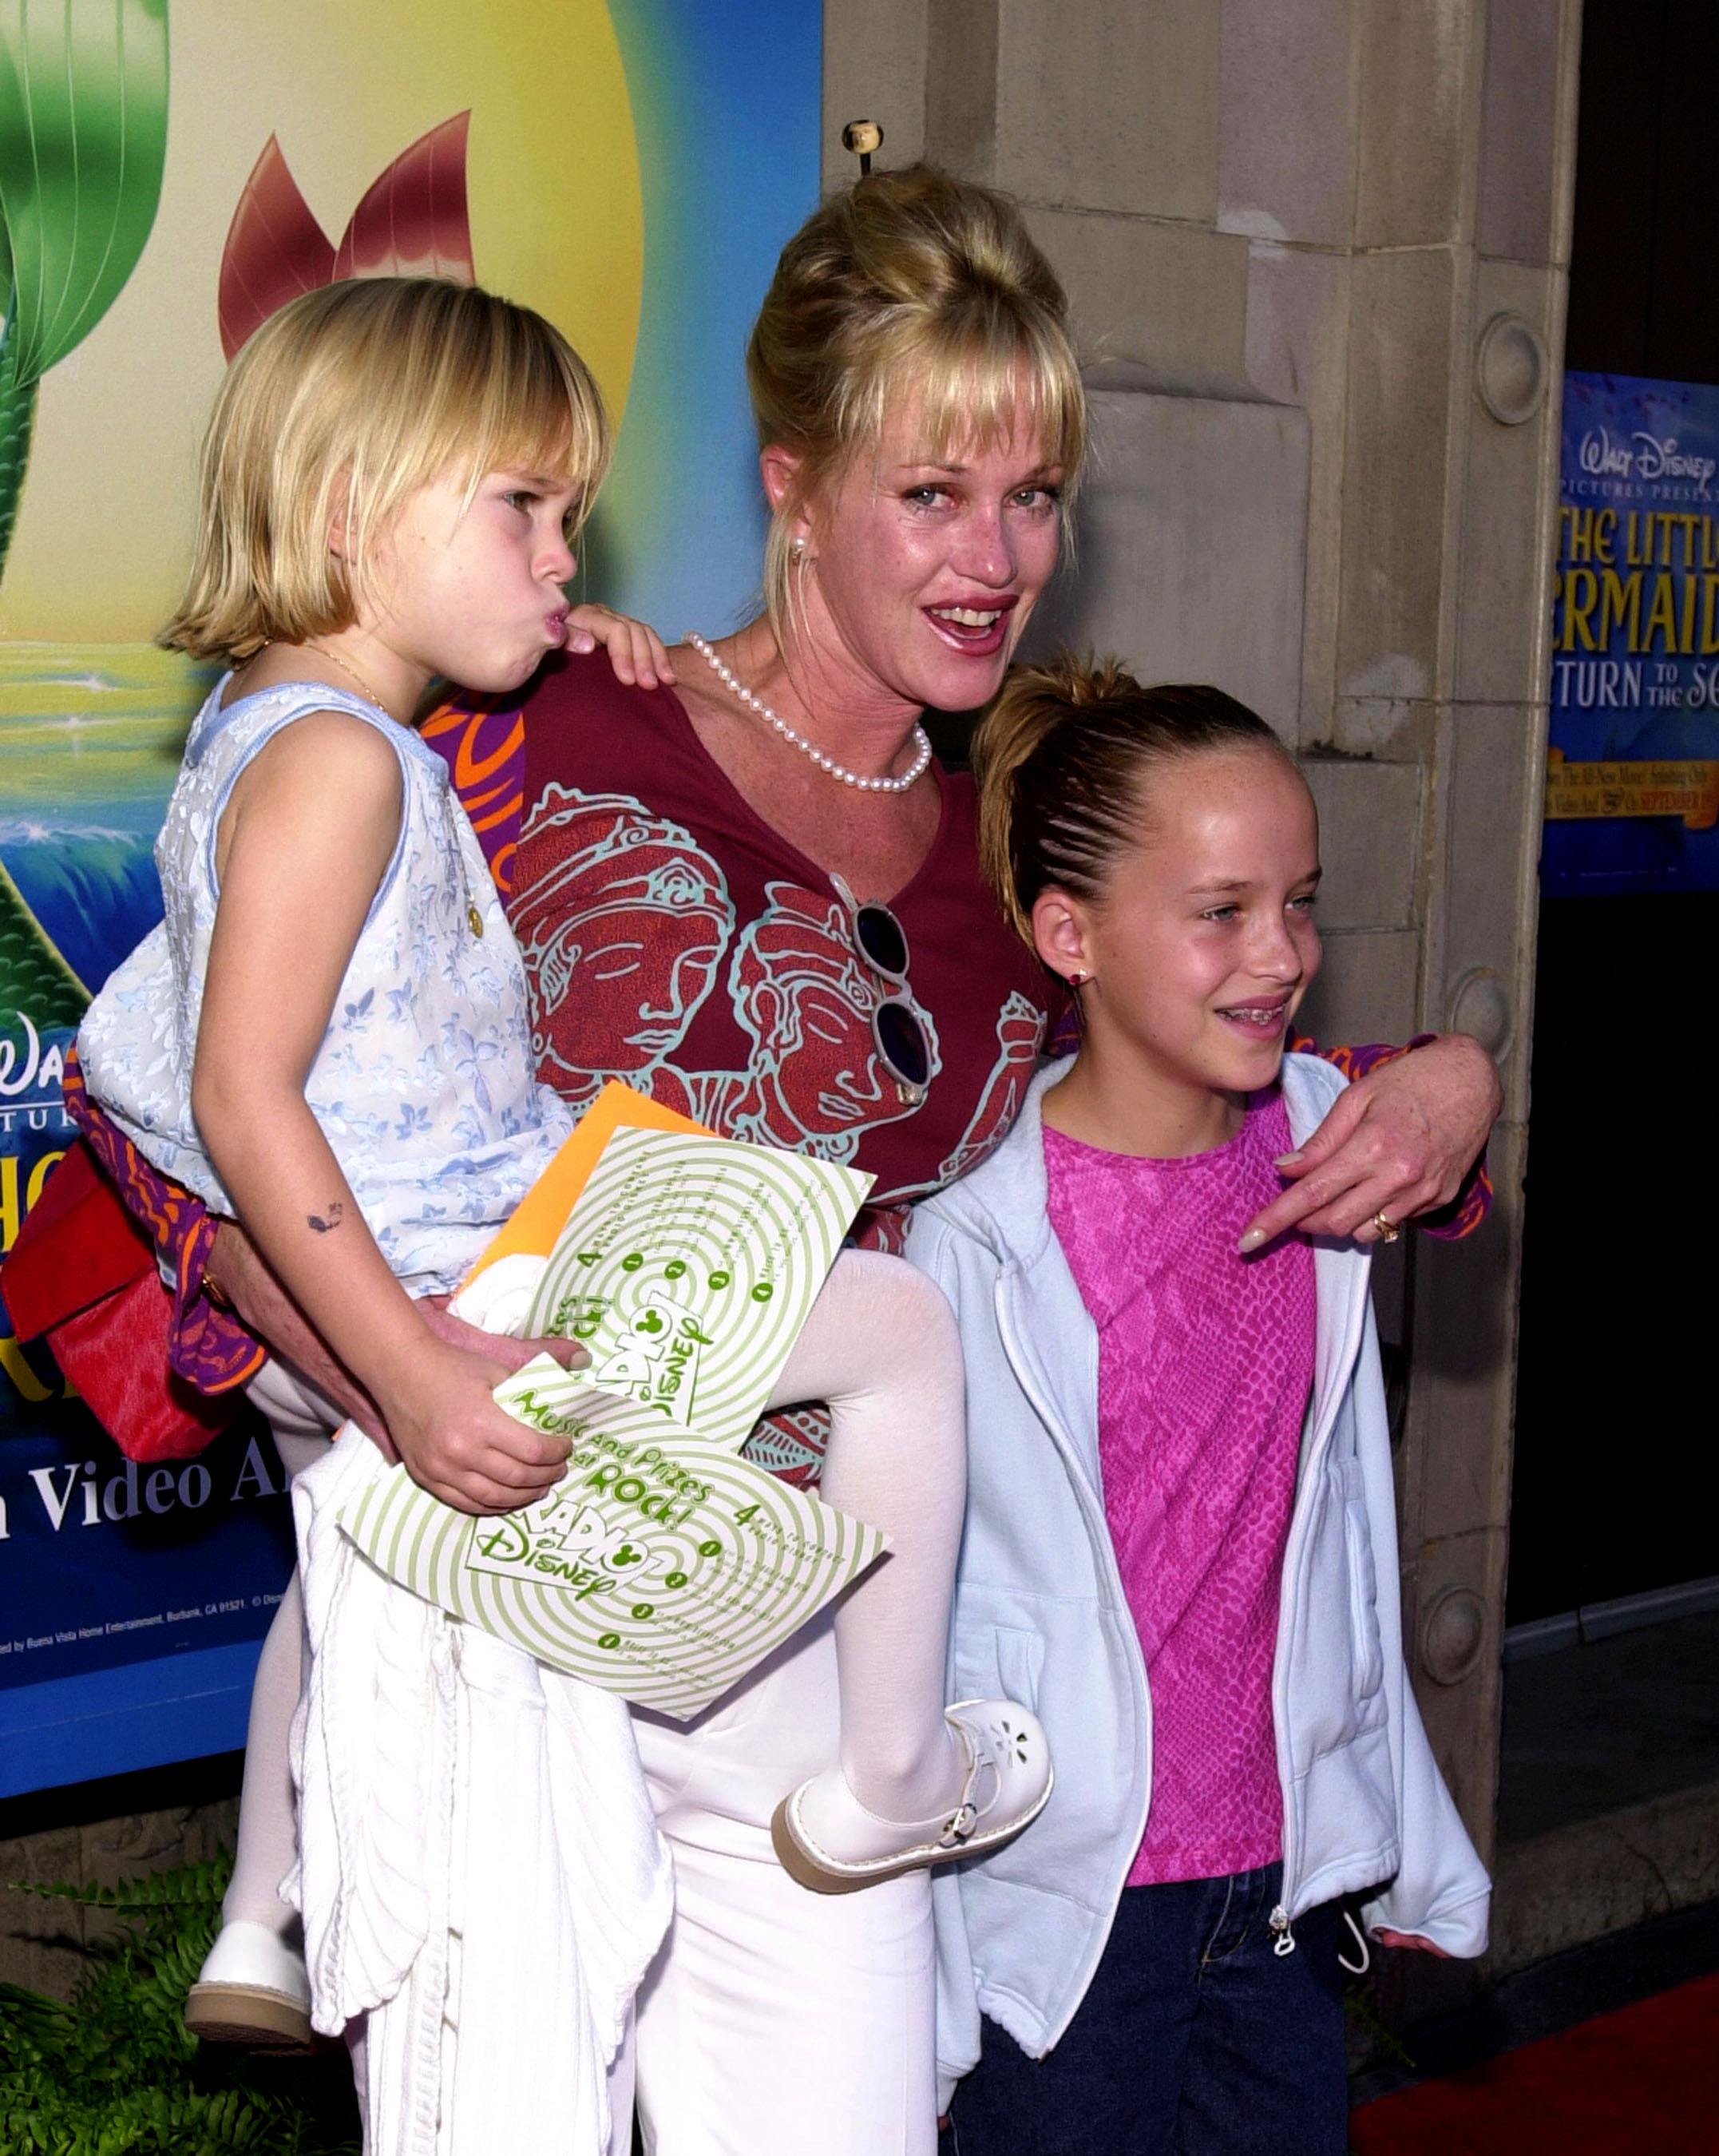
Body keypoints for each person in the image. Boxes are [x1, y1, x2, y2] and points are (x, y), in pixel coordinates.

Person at [20, 167, 1503, 2156]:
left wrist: (1443, 1083)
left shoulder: (1012, 842)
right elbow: (196, 1090)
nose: (998, 559)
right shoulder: (523, 720)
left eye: (1037, 496)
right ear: (794, 486)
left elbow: (1196, 1053)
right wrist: (389, 1375)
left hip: (818, 1647)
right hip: (505, 1573)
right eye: (933, 494)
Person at [73, 272, 1048, 2088]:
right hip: (492, 1302)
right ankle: (902, 1770)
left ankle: (263, 1910)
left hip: (522, 1351)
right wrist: (408, 1363)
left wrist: (544, 621)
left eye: (571, 517)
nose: (560, 555)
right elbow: (230, 1093)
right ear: (359, 512)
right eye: (522, 509)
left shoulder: (281, 730)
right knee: (899, 1330)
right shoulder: (344, 771)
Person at [911, 658, 1491, 2156]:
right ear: (1069, 934)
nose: (1280, 951)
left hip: (1283, 1883)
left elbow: (1451, 1129)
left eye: (1299, 901)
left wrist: (1463, 1069)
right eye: (1220, 911)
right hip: (1064, 1907)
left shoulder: (1329, 1142)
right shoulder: (970, 1235)